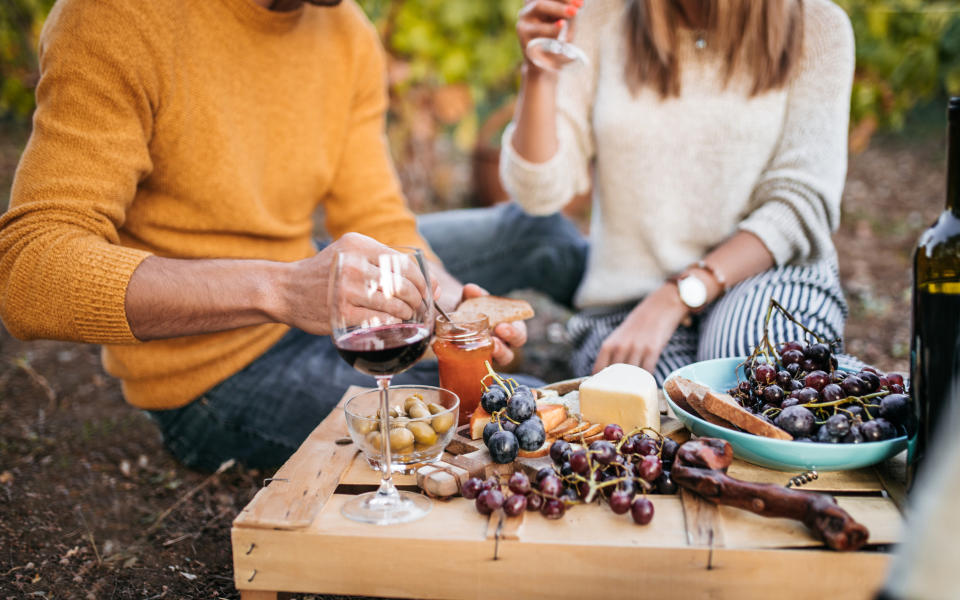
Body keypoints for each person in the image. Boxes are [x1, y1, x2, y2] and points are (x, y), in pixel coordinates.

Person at [0, 0, 587, 471]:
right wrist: (281, 289)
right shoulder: (115, 18)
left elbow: (375, 212)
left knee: (537, 247)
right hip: (213, 375)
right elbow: (29, 273)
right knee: (520, 422)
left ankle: (653, 320)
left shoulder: (344, 30)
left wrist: (449, 303)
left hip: (312, 302)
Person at [502, 0, 855, 381]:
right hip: (630, 308)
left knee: (750, 372)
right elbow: (539, 193)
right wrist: (540, 71)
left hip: (770, 278)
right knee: (684, 414)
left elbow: (800, 202)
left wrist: (677, 295)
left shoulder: (816, 25)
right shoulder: (600, 17)